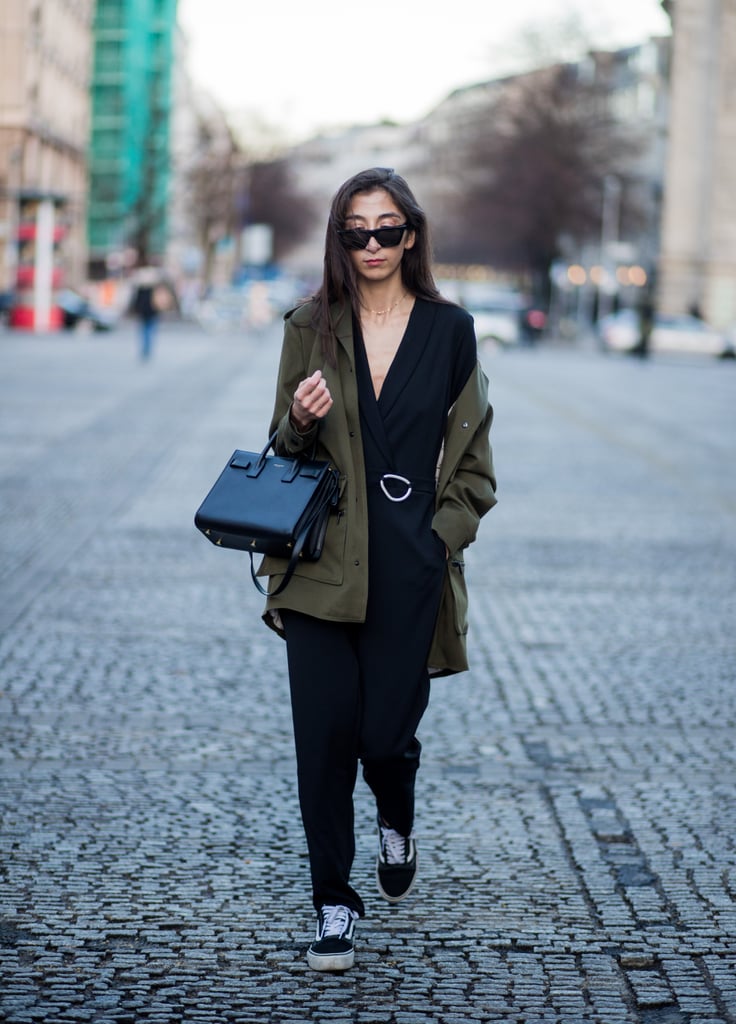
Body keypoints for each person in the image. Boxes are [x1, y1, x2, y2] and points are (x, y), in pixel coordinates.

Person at [258, 167, 497, 971]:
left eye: (385, 228)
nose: (371, 243)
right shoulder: (310, 325)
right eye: (355, 230)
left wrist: (442, 537)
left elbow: (474, 466)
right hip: (322, 558)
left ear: (412, 235)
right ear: (339, 238)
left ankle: (397, 814)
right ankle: (334, 900)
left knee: (386, 739)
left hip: (410, 563)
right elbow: (281, 450)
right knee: (323, 741)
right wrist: (298, 418)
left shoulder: (451, 330)